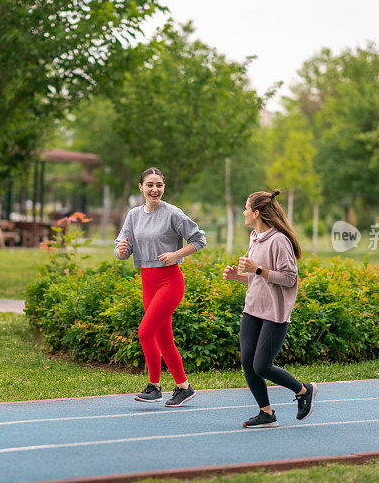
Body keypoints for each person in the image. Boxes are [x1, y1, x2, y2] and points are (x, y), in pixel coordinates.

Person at [222, 189, 316, 427]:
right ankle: (266, 413)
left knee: (262, 365)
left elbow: (289, 279)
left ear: (256, 212)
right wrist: (238, 277)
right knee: (247, 362)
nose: (243, 212)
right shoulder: (255, 237)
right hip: (252, 308)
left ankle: (303, 391)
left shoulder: (279, 240)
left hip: (274, 313)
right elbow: (258, 278)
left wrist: (256, 270)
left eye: (245, 208)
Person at [115, 167, 206, 407]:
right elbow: (122, 247)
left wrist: (176, 254)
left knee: (145, 332)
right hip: (148, 280)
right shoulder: (133, 215)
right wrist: (121, 251)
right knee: (163, 338)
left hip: (170, 281)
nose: (155, 189)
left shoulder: (173, 213)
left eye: (159, 185)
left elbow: (199, 240)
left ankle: (154, 386)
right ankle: (183, 387)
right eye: (150, 185)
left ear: (163, 187)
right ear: (141, 187)